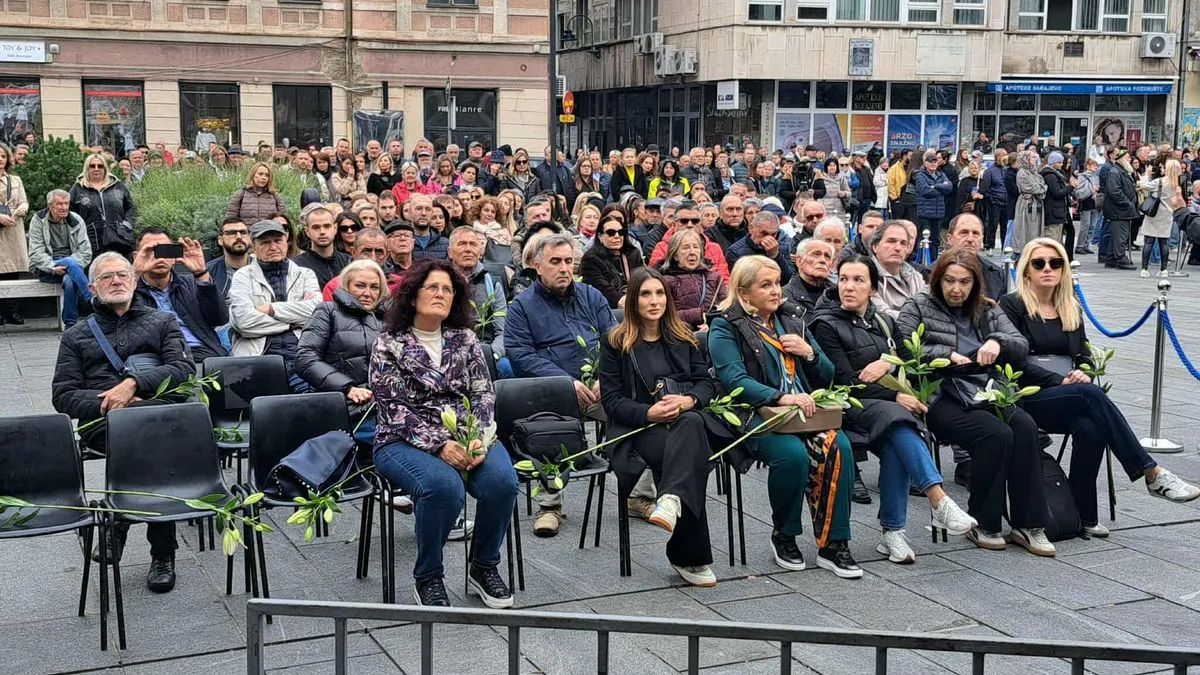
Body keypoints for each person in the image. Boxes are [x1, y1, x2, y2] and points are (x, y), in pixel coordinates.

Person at [1001, 238, 1199, 536]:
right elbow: (1014, 361)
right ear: (1026, 270)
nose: (1047, 269)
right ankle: (1151, 472)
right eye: (1038, 263)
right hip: (1029, 395)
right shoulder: (1013, 305)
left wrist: (1082, 372)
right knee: (1090, 395)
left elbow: (1083, 355)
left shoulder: (1070, 307)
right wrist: (1062, 380)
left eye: (1055, 263)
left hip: (1069, 395)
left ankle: (1085, 515)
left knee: (1091, 426)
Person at [369, 258, 518, 608]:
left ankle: (483, 567)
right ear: (413, 294)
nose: (440, 294)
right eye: (432, 287)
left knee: (502, 482)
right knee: (443, 487)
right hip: (403, 438)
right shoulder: (388, 344)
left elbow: (483, 392)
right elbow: (393, 407)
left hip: (467, 432)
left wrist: (479, 436)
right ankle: (429, 577)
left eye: (448, 289)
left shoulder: (465, 339)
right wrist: (440, 445)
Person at [810, 256, 976, 563]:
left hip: (886, 410)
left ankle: (893, 534)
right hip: (849, 407)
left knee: (896, 438)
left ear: (873, 287)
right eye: (844, 279)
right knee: (900, 420)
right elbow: (845, 380)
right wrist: (895, 395)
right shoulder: (826, 324)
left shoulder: (883, 320)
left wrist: (888, 362)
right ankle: (938, 501)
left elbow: (907, 359)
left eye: (858, 280)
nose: (849, 286)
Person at [707, 255, 861, 578]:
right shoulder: (725, 324)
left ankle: (834, 544)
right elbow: (734, 380)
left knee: (840, 447)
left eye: (777, 283)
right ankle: (785, 534)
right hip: (754, 413)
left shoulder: (791, 319)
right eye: (766, 285)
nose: (776, 291)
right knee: (792, 456)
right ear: (744, 292)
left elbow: (827, 375)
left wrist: (809, 352)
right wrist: (780, 396)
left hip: (802, 413)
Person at [51, 252, 195, 593]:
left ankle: (117, 521)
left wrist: (132, 385)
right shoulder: (76, 335)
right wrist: (110, 403)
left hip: (155, 414)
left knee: (148, 438)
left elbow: (184, 370)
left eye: (122, 275)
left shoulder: (162, 322)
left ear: (133, 281)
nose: (116, 281)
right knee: (146, 445)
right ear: (91, 288)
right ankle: (163, 553)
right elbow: (63, 395)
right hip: (104, 423)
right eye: (106, 277)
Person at [895, 249, 1050, 555]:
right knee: (995, 433)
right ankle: (985, 521)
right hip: (941, 393)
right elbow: (903, 345)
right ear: (938, 280)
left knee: (1024, 426)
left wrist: (997, 341)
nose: (956, 289)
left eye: (964, 282)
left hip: (983, 387)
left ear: (974, 283)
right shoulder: (919, 305)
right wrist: (943, 355)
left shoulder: (987, 308)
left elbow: (1020, 344)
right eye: (949, 281)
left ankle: (1029, 523)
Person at [597, 268, 718, 587]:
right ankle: (688, 555)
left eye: (660, 293)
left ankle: (671, 501)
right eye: (646, 294)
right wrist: (650, 412)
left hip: (683, 422)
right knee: (692, 451)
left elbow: (706, 384)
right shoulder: (615, 342)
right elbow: (612, 401)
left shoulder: (684, 337)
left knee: (691, 423)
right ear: (633, 301)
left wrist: (688, 400)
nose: (654, 301)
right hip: (639, 430)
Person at [504, 233, 616, 537]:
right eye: (555, 262)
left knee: (635, 409)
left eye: (568, 261)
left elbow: (615, 340)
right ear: (537, 266)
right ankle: (550, 505)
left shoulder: (592, 296)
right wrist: (564, 382)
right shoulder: (522, 306)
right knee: (546, 422)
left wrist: (606, 377)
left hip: (597, 387)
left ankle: (639, 495)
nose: (564, 268)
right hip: (552, 390)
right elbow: (520, 355)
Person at [297, 259, 386, 445]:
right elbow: (306, 358)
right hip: (341, 404)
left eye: (374, 287)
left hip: (382, 406)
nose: (367, 293)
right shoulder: (328, 311)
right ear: (346, 286)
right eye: (360, 286)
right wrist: (347, 388)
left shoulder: (387, 320)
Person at [228, 220, 321, 390]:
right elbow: (244, 322)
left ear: (286, 242)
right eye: (265, 243)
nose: (273, 247)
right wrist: (293, 321)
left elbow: (316, 313)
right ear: (254, 247)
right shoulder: (242, 277)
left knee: (312, 403)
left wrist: (272, 309)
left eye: (278, 241)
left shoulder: (305, 274)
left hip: (301, 355)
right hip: (259, 357)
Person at [132, 228, 228, 363]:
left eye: (165, 250)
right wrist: (134, 273)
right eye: (150, 251)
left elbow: (220, 319)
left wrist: (201, 273)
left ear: (173, 256)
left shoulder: (192, 283)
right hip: (160, 360)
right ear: (136, 256)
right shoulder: (129, 290)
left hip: (204, 354)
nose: (159, 257)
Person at [448, 227, 509, 376]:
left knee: (506, 367)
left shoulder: (493, 284)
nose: (468, 249)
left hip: (487, 350)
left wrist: (492, 355)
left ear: (480, 251)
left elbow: (503, 331)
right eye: (462, 244)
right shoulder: (441, 283)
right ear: (450, 252)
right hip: (449, 350)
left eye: (473, 244)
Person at [28, 189, 94, 328]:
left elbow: (86, 252)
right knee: (70, 263)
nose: (64, 207)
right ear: (50, 205)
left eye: (66, 203)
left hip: (73, 265)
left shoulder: (76, 220)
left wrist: (71, 263)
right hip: (46, 267)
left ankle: (70, 324)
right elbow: (36, 252)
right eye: (59, 204)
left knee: (70, 280)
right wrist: (52, 267)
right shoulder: (38, 219)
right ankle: (92, 298)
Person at [70, 153, 137, 255]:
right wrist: (79, 232)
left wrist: (127, 225)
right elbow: (69, 213)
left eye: (100, 166)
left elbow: (131, 208)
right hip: (91, 242)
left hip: (120, 239)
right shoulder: (77, 189)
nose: (96, 169)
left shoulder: (118, 186)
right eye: (92, 166)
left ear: (105, 168)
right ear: (86, 168)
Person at [660, 229, 726, 329]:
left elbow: (727, 309)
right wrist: (698, 315)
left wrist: (711, 323)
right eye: (686, 248)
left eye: (696, 247)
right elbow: (662, 316)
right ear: (675, 255)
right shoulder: (664, 282)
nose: (692, 252)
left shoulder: (715, 278)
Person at [580, 214, 644, 309]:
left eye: (621, 232)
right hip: (606, 307)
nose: (617, 236)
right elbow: (601, 288)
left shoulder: (633, 254)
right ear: (600, 236)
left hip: (635, 303)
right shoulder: (591, 258)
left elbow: (643, 280)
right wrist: (623, 301)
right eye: (611, 233)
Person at [322, 227, 402, 301]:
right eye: (366, 252)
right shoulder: (335, 287)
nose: (373, 258)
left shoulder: (400, 285)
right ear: (353, 252)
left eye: (379, 252)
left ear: (387, 254)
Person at [870, 221, 926, 318]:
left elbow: (929, 309)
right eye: (891, 241)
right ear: (875, 246)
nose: (898, 248)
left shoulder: (915, 276)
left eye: (903, 243)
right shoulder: (866, 276)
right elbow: (882, 313)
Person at [0, 143, 29, 324]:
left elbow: (24, 201)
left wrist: (22, 209)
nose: (0, 160)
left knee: (12, 270)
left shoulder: (15, 180)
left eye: (3, 156)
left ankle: (12, 312)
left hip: (13, 227)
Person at [946, 213, 1006, 300]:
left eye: (975, 233)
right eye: (964, 233)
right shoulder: (931, 272)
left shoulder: (997, 274)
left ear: (982, 239)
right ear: (949, 238)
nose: (970, 239)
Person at [1137, 159, 1179, 277]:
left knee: (1149, 241)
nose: (1162, 169)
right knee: (1164, 242)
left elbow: (1144, 186)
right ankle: (1164, 269)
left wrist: (1145, 175)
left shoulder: (1160, 181)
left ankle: (1144, 269)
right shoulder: (1176, 183)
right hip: (1167, 215)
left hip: (1154, 214)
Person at [293, 205, 352, 288]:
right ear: (307, 231)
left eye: (327, 226)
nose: (322, 232)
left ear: (335, 229)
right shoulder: (297, 266)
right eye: (316, 227)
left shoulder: (349, 263)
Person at [726, 211, 794, 282]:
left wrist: (776, 256)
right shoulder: (735, 251)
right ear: (751, 229)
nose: (769, 239)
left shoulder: (782, 247)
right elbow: (740, 281)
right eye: (764, 234)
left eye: (773, 234)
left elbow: (789, 279)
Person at [1102, 149, 1138, 270]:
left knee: (1117, 234)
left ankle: (1111, 258)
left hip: (1121, 209)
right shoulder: (1115, 172)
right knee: (1120, 235)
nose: (1130, 160)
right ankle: (1120, 257)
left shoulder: (1121, 171)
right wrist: (1127, 203)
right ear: (1121, 159)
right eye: (1128, 158)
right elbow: (1114, 191)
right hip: (1119, 210)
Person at [913, 151, 953, 259]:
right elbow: (925, 191)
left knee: (935, 241)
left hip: (938, 214)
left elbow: (949, 188)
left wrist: (934, 186)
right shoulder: (920, 175)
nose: (933, 164)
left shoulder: (941, 174)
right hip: (925, 213)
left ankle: (934, 262)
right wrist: (941, 189)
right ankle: (923, 261)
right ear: (925, 163)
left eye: (935, 162)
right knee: (925, 239)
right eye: (931, 162)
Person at [225, 161, 287, 225]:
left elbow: (283, 221)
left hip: (269, 234)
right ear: (253, 175)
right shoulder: (239, 195)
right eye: (260, 174)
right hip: (247, 233)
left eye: (267, 175)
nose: (263, 178)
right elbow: (231, 220)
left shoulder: (276, 197)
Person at [783, 238, 836, 313]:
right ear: (799, 261)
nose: (823, 260)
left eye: (827, 256)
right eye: (816, 254)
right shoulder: (784, 297)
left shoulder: (837, 294)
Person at [206, 218, 251, 299]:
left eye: (243, 232)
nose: (239, 237)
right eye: (231, 233)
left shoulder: (262, 268)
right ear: (220, 240)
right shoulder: (208, 272)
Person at [1013, 150, 1046, 251]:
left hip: (1037, 203)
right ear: (1025, 159)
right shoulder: (1022, 173)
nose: (1035, 159)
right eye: (1032, 157)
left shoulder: (1034, 172)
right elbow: (1034, 188)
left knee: (1036, 230)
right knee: (1026, 230)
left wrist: (1041, 187)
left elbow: (1042, 184)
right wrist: (1041, 187)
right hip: (1026, 204)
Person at [1041, 152, 1073, 255]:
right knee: (1052, 240)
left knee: (1057, 240)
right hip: (1053, 212)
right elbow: (1057, 193)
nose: (1061, 164)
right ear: (1053, 162)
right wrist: (1071, 187)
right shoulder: (1050, 176)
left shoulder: (1056, 174)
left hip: (1058, 211)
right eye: (1059, 162)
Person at [1073, 158, 1102, 256]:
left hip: (1094, 203)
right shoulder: (1082, 177)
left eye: (1096, 165)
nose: (1096, 167)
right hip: (1085, 203)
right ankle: (1080, 246)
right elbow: (1079, 192)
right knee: (1085, 225)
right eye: (1094, 165)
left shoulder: (1096, 177)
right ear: (1088, 166)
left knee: (1092, 226)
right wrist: (1091, 190)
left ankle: (1086, 245)